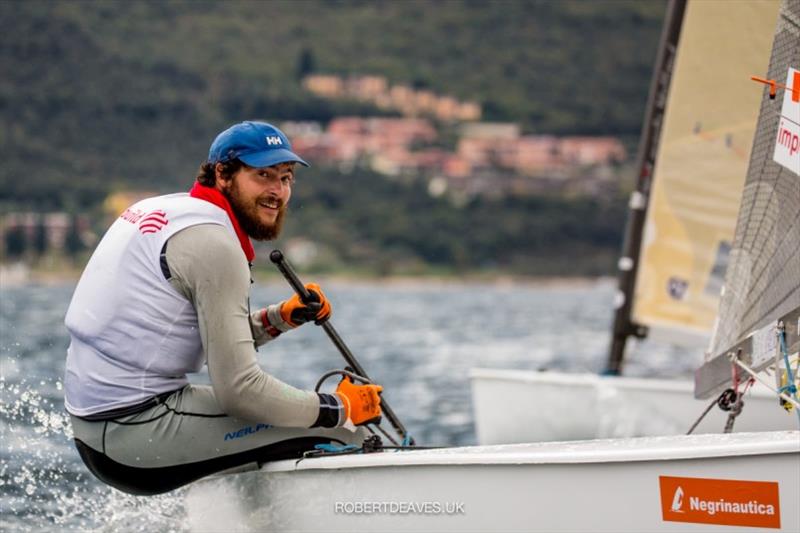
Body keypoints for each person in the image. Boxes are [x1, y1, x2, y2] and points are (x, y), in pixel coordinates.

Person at [64, 121, 383, 495]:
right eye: (262, 175)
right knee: (344, 429)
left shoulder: (162, 209)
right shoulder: (215, 245)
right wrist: (339, 408)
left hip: (99, 428)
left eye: (286, 177)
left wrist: (280, 318)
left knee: (288, 418)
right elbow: (241, 391)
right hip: (133, 437)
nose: (277, 191)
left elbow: (186, 335)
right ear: (223, 174)